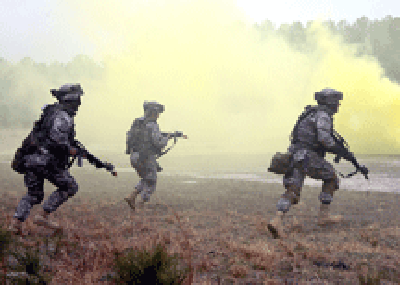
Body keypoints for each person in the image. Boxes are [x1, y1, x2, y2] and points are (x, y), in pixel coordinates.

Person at [10, 84, 116, 235]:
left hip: (32, 160)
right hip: (47, 162)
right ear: (71, 100)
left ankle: (15, 224)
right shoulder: (63, 116)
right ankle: (43, 216)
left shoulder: (51, 113)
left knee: (34, 194)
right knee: (70, 187)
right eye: (77, 100)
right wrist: (72, 150)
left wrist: (93, 160)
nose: (79, 104)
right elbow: (57, 141)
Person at [267, 88, 368, 239]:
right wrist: (339, 151)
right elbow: (324, 139)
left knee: (292, 191)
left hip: (294, 156)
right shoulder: (323, 116)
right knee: (332, 178)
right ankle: (323, 216)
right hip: (307, 156)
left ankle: (276, 220)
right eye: (337, 102)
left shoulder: (310, 113)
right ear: (330, 102)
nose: (338, 105)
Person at [125, 101, 186, 210]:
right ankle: (140, 205)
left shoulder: (138, 122)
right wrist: (167, 138)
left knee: (146, 178)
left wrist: (171, 135)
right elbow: (159, 142)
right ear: (152, 113)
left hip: (134, 156)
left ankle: (132, 196)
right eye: (157, 113)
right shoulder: (152, 125)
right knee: (152, 181)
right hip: (145, 157)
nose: (158, 116)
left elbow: (137, 137)